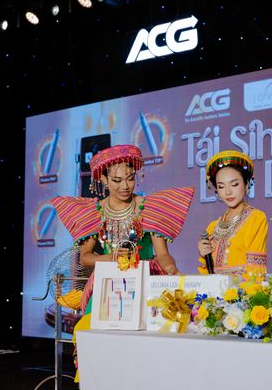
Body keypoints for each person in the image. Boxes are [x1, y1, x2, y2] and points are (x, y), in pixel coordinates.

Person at [51, 144, 194, 381]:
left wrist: (175, 273)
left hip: (145, 280)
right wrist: (110, 258)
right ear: (103, 180)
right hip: (107, 285)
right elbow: (85, 257)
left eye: (130, 178)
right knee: (94, 339)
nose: (125, 186)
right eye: (117, 180)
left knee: (144, 346)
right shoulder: (96, 212)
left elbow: (162, 254)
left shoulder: (149, 207)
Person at [197, 150, 267, 277]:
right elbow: (205, 275)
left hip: (243, 288)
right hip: (214, 290)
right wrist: (204, 256)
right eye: (221, 186)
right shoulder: (212, 227)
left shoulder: (256, 218)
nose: (228, 192)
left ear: (246, 184)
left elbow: (256, 273)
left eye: (234, 184)